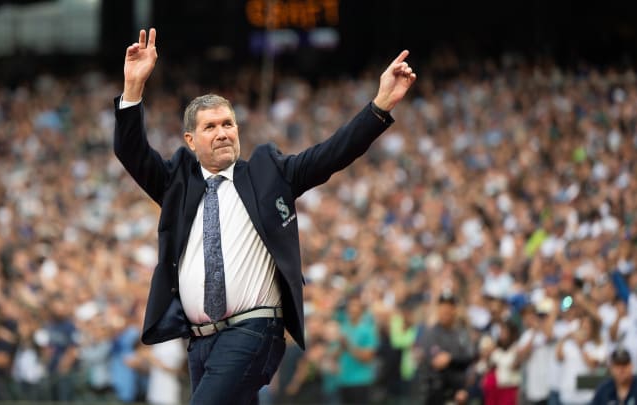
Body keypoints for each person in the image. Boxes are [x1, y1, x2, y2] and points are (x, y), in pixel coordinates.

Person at [114, 27, 416, 404]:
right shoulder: (177, 182)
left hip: (253, 330)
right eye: (210, 127)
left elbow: (332, 153)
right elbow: (132, 152)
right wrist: (133, 88)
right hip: (199, 341)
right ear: (191, 141)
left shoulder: (268, 173)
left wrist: (380, 105)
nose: (222, 132)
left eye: (228, 123)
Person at [416, 290, 476, 405]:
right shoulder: (430, 333)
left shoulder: (461, 333)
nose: (446, 310)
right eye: (443, 307)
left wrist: (451, 358)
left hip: (459, 393)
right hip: (435, 393)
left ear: (455, 309)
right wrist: (456, 360)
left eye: (450, 307)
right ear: (438, 309)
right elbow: (435, 362)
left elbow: (470, 355)